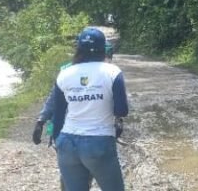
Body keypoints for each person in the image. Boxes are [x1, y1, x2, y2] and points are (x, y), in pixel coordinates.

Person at [33, 27, 129, 191]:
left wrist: (50, 133)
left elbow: (58, 109)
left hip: (67, 144)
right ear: (103, 49)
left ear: (78, 48)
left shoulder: (65, 73)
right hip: (98, 142)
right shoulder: (112, 72)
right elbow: (121, 110)